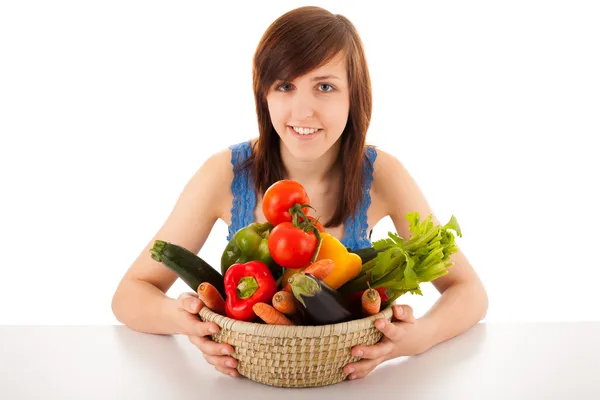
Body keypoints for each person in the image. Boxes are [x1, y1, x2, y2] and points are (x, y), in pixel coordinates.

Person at [111, 6, 488, 381]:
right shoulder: (225, 173)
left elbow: (469, 291)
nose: (302, 110)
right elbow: (129, 295)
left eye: (324, 87)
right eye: (285, 86)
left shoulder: (381, 174)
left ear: (352, 96)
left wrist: (420, 337)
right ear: (264, 95)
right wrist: (188, 322)